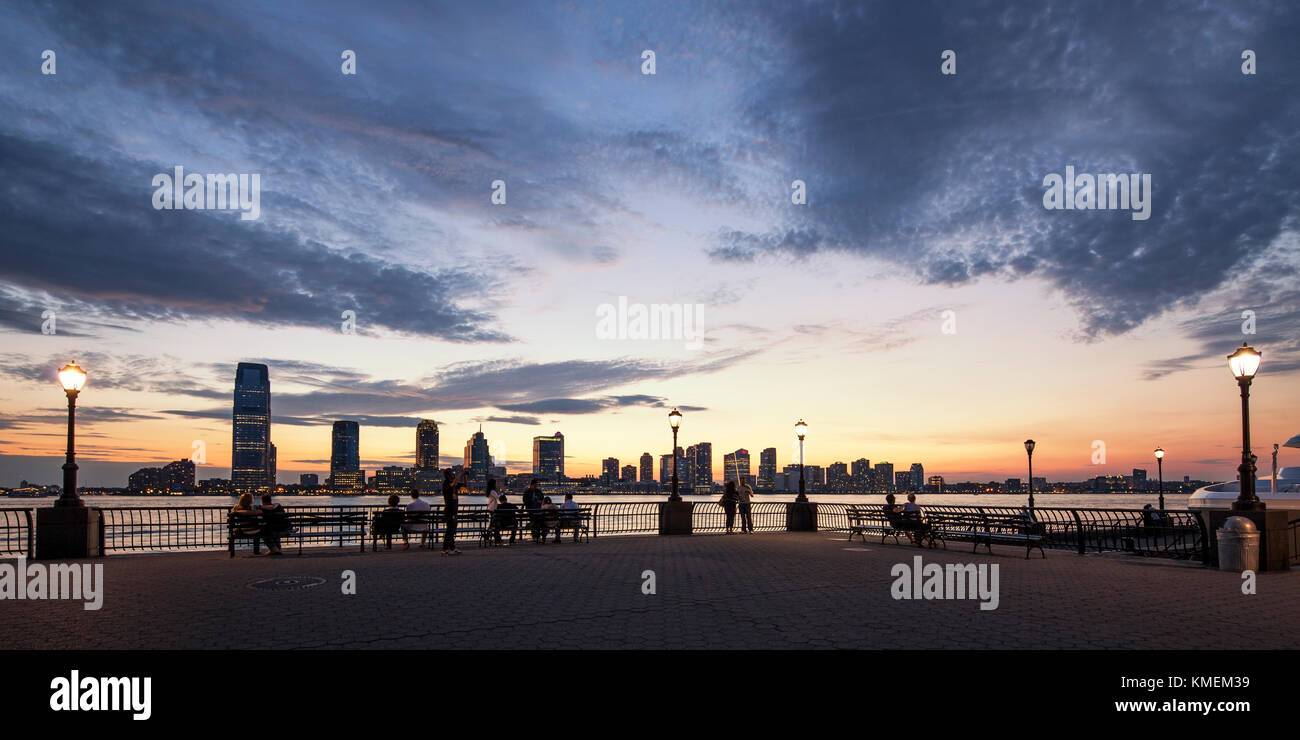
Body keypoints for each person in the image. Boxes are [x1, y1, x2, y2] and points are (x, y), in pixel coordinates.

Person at [441, 469, 463, 556]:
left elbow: (465, 485)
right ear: (448, 475)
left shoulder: (454, 485)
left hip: (454, 510)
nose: (453, 475)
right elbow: (452, 484)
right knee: (449, 530)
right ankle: (444, 549)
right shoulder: (446, 484)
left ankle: (452, 548)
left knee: (452, 530)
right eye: (452, 474)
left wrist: (465, 476)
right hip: (449, 510)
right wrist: (460, 474)